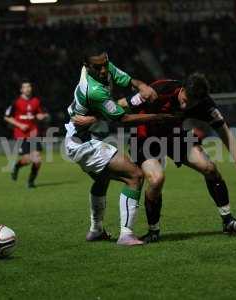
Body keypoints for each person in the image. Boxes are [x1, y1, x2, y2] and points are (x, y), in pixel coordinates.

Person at [122, 74, 236, 242]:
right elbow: (122, 104)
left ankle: (228, 221)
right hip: (145, 138)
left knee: (209, 167)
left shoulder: (205, 104)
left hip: (173, 135)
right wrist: (94, 114)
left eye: (191, 103)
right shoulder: (160, 89)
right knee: (157, 180)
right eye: (185, 99)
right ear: (182, 89)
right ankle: (153, 231)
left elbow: (224, 131)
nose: (185, 105)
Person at [65, 46, 174, 246]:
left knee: (101, 179)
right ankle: (126, 235)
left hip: (84, 138)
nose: (104, 71)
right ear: (86, 67)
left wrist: (141, 86)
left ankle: (96, 230)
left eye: (105, 64)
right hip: (85, 143)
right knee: (135, 175)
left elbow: (128, 80)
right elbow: (122, 119)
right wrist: (158, 117)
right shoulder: (93, 90)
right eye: (97, 68)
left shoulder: (104, 68)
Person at [4, 80, 49, 188]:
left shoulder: (36, 101)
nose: (28, 89)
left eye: (29, 86)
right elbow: (7, 117)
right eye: (25, 87)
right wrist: (19, 125)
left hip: (34, 133)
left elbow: (43, 113)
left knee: (37, 160)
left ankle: (31, 182)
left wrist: (42, 116)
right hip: (21, 134)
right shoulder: (16, 102)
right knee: (28, 159)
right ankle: (16, 167)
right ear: (21, 90)